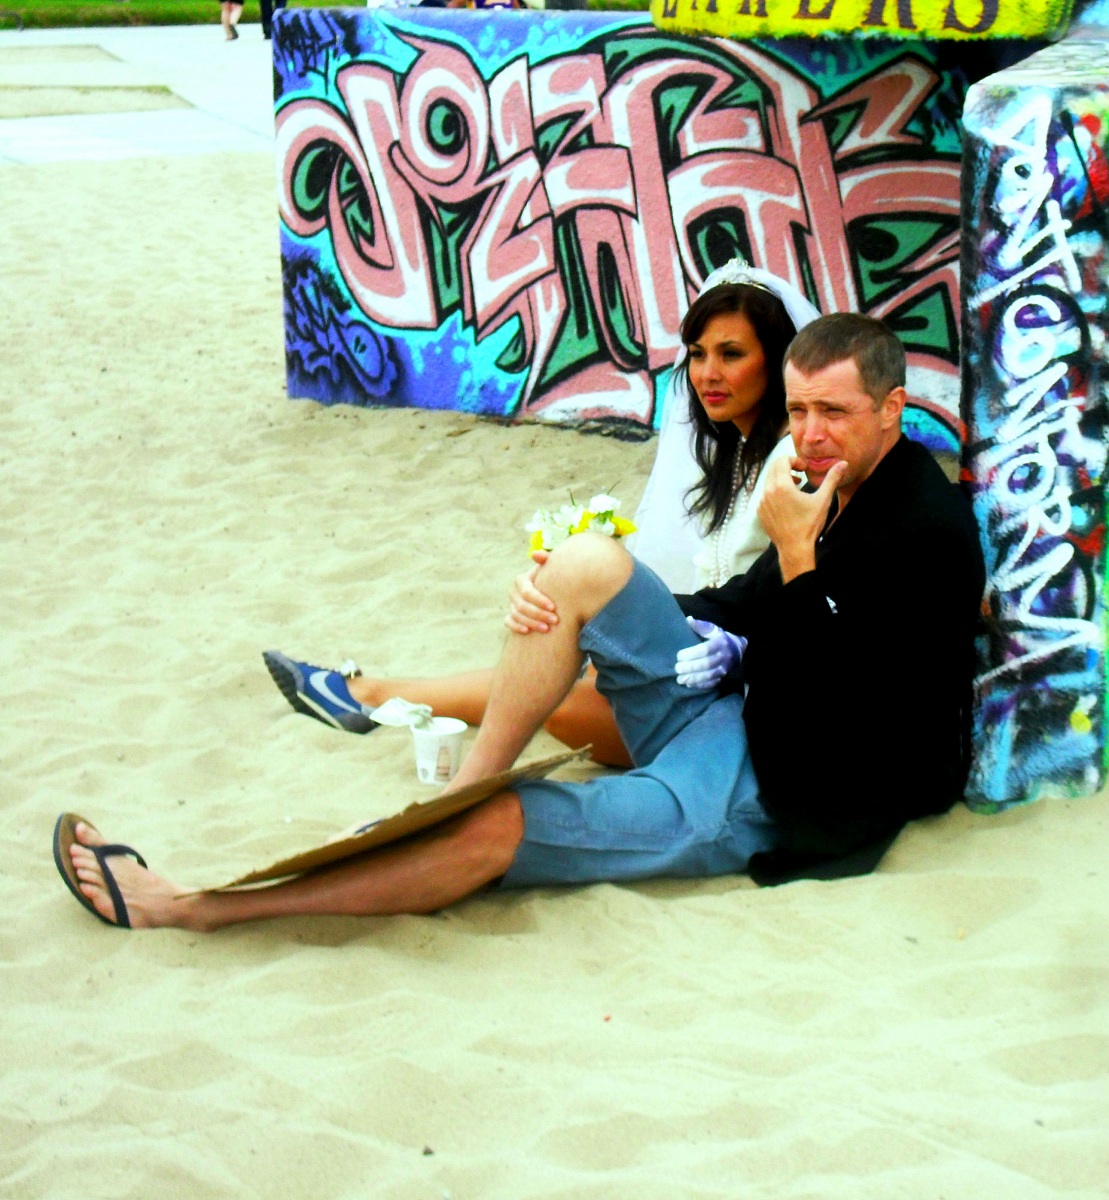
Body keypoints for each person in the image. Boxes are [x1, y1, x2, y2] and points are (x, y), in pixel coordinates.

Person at [56, 314, 985, 930]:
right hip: (737, 718)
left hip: (782, 790)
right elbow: (737, 612)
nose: (808, 433)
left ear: (893, 410)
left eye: (833, 413)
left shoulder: (926, 529)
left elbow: (842, 707)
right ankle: (467, 778)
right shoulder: (833, 486)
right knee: (583, 562)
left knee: (499, 831)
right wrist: (585, 611)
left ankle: (192, 908)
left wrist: (793, 557)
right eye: (796, 411)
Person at [262, 263, 821, 767]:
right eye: (696, 354)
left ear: (777, 364)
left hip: (742, 692)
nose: (706, 374)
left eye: (731, 354)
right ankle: (374, 693)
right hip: (700, 652)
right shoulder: (731, 453)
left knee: (564, 694)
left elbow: (779, 600)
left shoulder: (790, 467)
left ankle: (377, 696)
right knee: (562, 625)